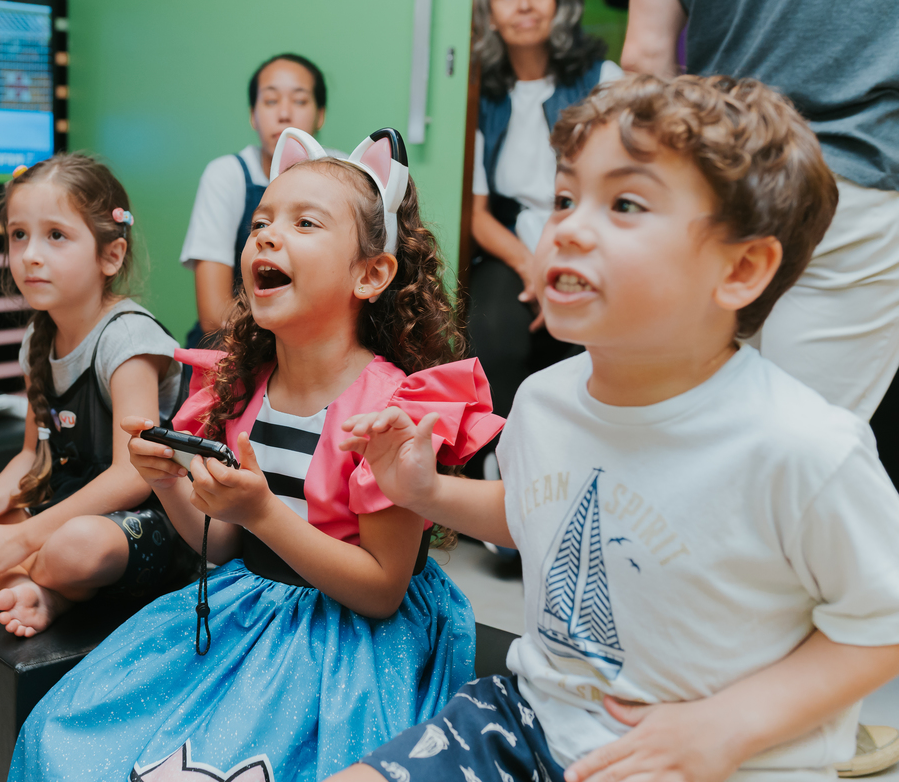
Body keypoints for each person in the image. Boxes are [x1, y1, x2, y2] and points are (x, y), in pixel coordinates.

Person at [329, 76, 899, 782]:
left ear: (742, 268)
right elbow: (540, 512)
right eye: (566, 198)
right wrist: (427, 491)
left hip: (712, 762)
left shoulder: (804, 447)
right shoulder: (543, 400)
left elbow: (882, 623)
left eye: (624, 203)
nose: (565, 226)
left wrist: (727, 728)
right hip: (530, 719)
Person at [8, 127, 504, 782]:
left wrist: (266, 513)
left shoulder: (390, 407)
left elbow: (383, 589)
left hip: (349, 643)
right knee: (60, 737)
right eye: (261, 222)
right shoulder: (241, 388)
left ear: (370, 273)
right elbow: (220, 548)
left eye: (305, 223)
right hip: (251, 607)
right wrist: (167, 485)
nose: (267, 236)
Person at [622, 0, 899, 773]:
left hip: (713, 186)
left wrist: (627, 205)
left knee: (682, 445)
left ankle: (663, 702)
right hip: (857, 180)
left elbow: (644, 58)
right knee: (800, 469)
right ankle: (782, 730)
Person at [0, 154, 187, 637]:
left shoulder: (127, 338)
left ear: (110, 255)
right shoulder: (38, 339)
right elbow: (33, 454)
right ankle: (30, 587)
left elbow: (133, 475)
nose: (30, 255)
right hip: (61, 500)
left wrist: (23, 535)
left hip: (137, 523)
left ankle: (35, 576)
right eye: (18, 234)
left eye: (56, 236)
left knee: (75, 547)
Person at [466, 0, 621, 423]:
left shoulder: (602, 78)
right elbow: (477, 215)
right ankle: (497, 458)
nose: (526, 4)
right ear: (489, 13)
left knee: (592, 343)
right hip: (511, 240)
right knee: (491, 332)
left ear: (560, 3)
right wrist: (530, 266)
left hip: (588, 231)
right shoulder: (481, 95)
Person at [179, 53, 340, 349]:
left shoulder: (346, 177)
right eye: (270, 101)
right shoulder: (227, 174)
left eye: (300, 101)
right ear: (253, 115)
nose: (284, 114)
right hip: (237, 345)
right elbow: (214, 313)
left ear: (321, 114)